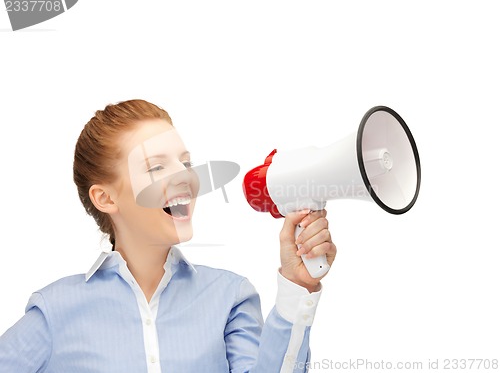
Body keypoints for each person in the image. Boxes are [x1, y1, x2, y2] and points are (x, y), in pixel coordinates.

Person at [0, 99, 336, 372]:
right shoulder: (56, 310)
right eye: (156, 167)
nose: (185, 178)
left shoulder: (229, 298)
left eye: (186, 164)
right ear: (105, 198)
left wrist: (298, 285)